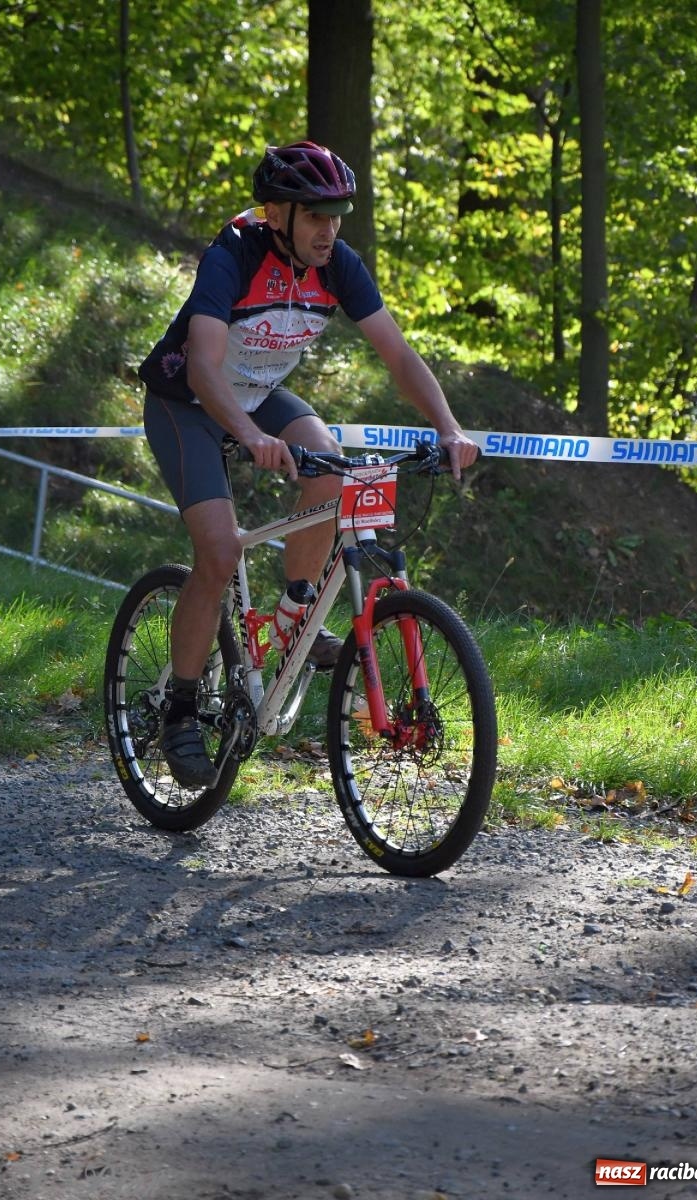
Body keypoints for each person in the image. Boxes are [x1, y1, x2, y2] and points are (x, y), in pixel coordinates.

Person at [138, 139, 478, 789]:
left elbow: (398, 354)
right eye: (316, 216)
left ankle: (295, 618)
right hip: (188, 402)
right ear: (277, 214)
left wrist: (448, 425)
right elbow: (205, 364)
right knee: (217, 552)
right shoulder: (232, 254)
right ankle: (180, 708)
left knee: (332, 469)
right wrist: (246, 435)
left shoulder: (337, 264)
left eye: (337, 215)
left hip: (259, 395)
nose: (330, 230)